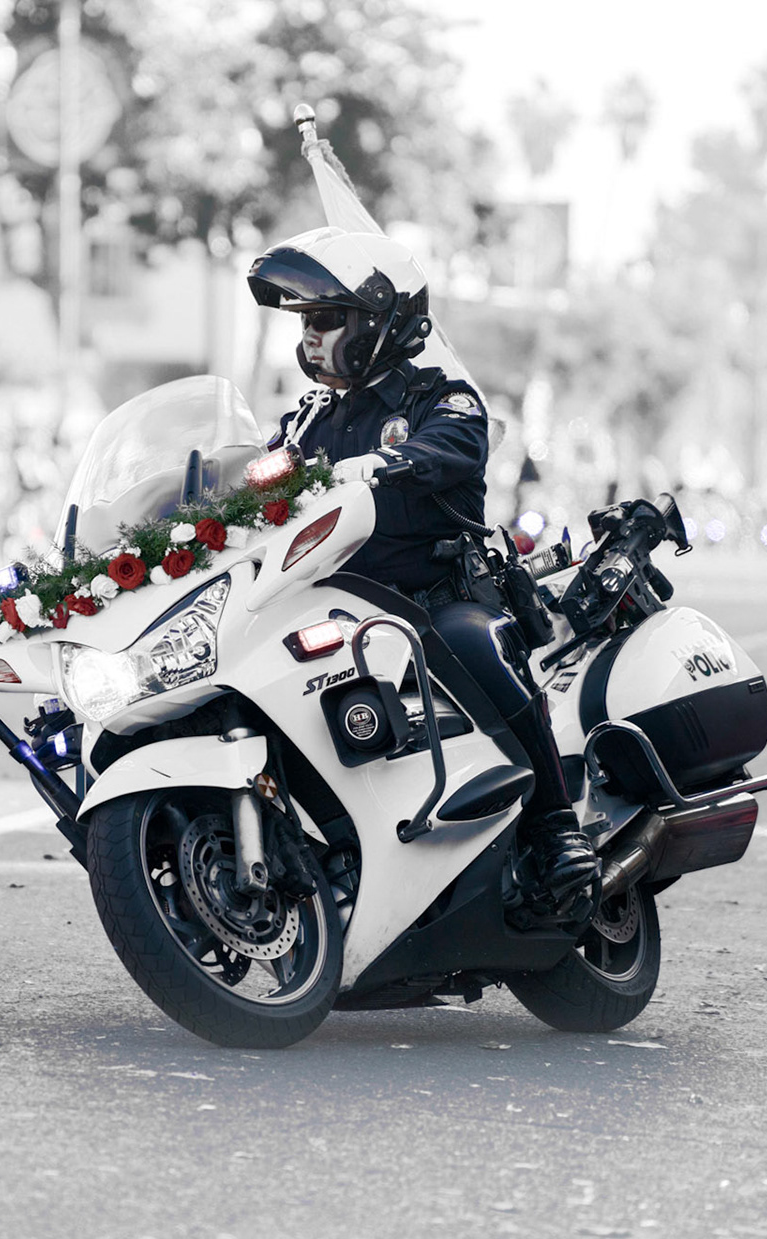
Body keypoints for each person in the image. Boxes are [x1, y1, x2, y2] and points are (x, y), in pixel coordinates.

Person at [246, 226, 598, 924]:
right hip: (333, 608)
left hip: (435, 602)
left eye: (325, 320)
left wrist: (381, 464)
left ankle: (556, 828)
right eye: (304, 323)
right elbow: (251, 482)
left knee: (475, 647)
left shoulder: (441, 398)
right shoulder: (310, 419)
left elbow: (457, 445)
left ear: (380, 319)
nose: (311, 338)